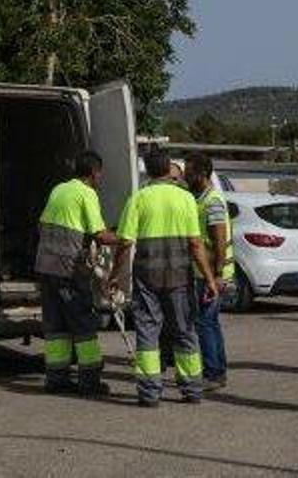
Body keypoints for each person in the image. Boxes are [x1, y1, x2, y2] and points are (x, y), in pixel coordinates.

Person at [112, 148, 219, 408]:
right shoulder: (186, 200)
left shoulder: (138, 199)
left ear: (147, 171)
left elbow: (125, 243)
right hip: (180, 276)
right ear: (168, 168)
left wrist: (115, 275)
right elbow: (195, 244)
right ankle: (192, 389)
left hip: (147, 277)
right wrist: (211, 279)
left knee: (148, 331)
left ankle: (150, 393)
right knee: (184, 330)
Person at [35, 151, 119, 397]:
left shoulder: (58, 189)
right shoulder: (87, 193)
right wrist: (124, 238)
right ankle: (90, 381)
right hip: (68, 270)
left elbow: (41, 225)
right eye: (100, 173)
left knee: (56, 326)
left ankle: (56, 379)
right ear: (94, 172)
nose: (100, 177)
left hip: (45, 267)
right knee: (83, 325)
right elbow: (100, 234)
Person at [185, 153, 234, 391]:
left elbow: (219, 241)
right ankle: (217, 370)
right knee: (209, 322)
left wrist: (216, 276)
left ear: (202, 174)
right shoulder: (198, 198)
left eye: (189, 171)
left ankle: (213, 373)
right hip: (201, 272)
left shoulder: (212, 201)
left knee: (205, 323)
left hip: (209, 275)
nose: (185, 174)